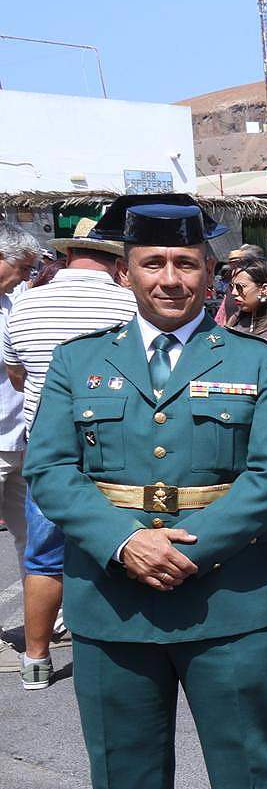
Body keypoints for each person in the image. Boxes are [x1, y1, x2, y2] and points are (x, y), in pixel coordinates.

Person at [25, 195, 267, 789]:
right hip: (113, 594)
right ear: (126, 272)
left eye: (186, 263)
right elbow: (51, 467)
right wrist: (124, 543)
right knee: (123, 763)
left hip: (228, 595)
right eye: (153, 263)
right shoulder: (76, 361)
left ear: (211, 273)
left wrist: (191, 550)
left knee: (248, 754)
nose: (170, 277)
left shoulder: (255, 362)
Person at [1, 216, 139, 689]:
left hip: (49, 442)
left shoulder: (26, 305)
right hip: (119, 443)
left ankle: (36, 658)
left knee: (44, 552)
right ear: (118, 263)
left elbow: (18, 374)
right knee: (122, 542)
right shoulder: (128, 303)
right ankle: (120, 650)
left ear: (64, 258)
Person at [0, 226, 45, 601]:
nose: (28, 277)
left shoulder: (15, 305)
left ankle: (40, 618)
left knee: (31, 534)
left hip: (22, 436)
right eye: (25, 268)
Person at [224, 257, 267, 353]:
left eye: (240, 287)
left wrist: (263, 359)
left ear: (264, 289)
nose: (234, 292)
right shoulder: (235, 319)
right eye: (231, 286)